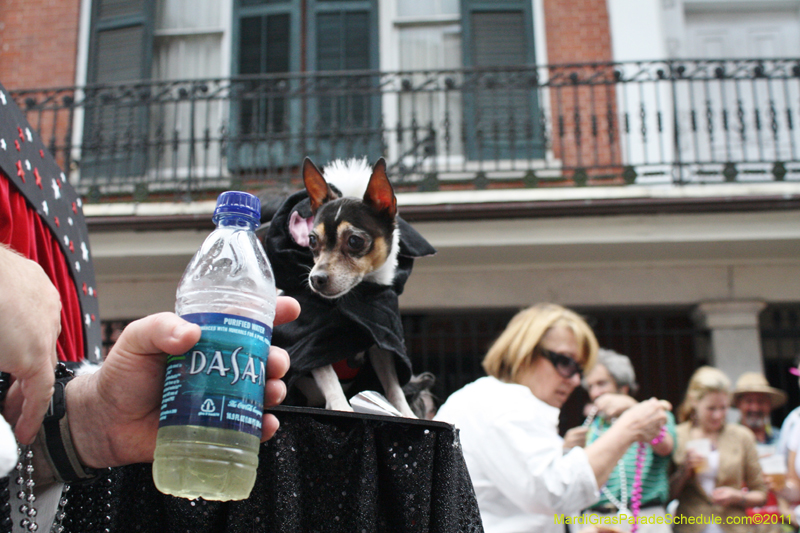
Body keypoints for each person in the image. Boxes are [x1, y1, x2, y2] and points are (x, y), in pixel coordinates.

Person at [434, 303, 670, 533]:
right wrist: (629, 428)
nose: (575, 380)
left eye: (579, 370)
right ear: (524, 352)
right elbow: (555, 491)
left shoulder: (492, 398)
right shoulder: (503, 402)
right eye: (565, 362)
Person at [579, 349, 676, 532]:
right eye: (590, 386)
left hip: (646, 519)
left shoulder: (656, 415)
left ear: (623, 388)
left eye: (601, 384)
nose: (595, 393)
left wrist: (633, 408)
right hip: (597, 520)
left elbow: (665, 447)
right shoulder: (592, 428)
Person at [670, 366, 767, 533]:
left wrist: (736, 496)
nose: (718, 415)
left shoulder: (741, 436)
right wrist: (684, 471)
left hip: (734, 526)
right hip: (690, 525)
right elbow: (667, 494)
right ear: (694, 401)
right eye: (711, 408)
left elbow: (761, 493)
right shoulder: (678, 436)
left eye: (723, 408)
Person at [732, 372, 786, 445]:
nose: (755, 408)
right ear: (738, 404)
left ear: (769, 404)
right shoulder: (729, 439)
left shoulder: (781, 438)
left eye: (761, 401)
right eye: (749, 401)